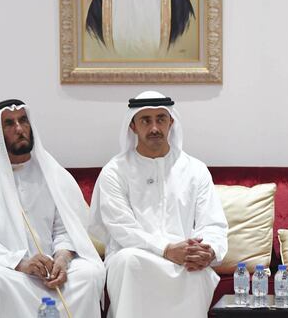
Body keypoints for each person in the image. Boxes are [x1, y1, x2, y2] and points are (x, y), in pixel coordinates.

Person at [89, 91, 228, 318]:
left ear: (171, 122)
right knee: (127, 262)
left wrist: (208, 251)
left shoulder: (195, 170)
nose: (154, 128)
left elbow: (213, 224)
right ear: (133, 126)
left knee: (198, 272)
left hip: (185, 259)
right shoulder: (115, 172)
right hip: (136, 255)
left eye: (161, 119)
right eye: (146, 120)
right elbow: (122, 228)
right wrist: (166, 249)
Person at [0, 99, 104, 318]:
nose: (19, 129)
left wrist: (62, 260)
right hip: (10, 269)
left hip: (53, 268)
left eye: (23, 120)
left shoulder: (51, 173)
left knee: (89, 273)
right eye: (9, 124)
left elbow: (65, 228)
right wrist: (21, 263)